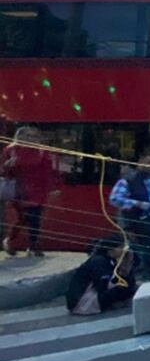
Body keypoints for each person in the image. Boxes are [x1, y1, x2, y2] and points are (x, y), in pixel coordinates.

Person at [109, 152, 150, 280]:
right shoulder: (129, 180)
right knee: (147, 258)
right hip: (140, 227)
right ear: (140, 163)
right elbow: (115, 199)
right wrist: (138, 204)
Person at [1, 126, 59, 257]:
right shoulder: (11, 150)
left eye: (33, 136)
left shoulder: (42, 152)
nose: (30, 138)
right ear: (19, 137)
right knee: (28, 216)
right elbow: (4, 172)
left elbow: (48, 172)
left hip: (39, 189)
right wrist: (9, 164)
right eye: (27, 136)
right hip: (20, 189)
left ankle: (25, 243)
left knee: (34, 217)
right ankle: (29, 244)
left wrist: (52, 188)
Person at [65, 235, 136, 315]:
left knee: (128, 286)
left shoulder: (109, 259)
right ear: (111, 249)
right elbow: (103, 285)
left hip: (90, 296)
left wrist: (127, 264)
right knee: (123, 289)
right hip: (82, 303)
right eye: (121, 247)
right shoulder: (99, 261)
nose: (124, 250)